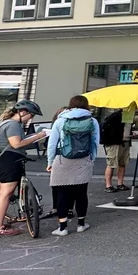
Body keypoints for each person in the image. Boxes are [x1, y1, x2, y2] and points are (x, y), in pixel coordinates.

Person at [0, 100, 48, 236]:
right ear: (22, 112)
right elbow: (16, 144)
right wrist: (38, 136)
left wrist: (31, 138)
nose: (31, 118)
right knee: (5, 194)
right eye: (31, 115)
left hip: (1, 159)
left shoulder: (3, 123)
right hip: (11, 160)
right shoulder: (13, 124)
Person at [47, 96, 100, 236]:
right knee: (81, 193)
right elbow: (95, 142)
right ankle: (81, 224)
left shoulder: (61, 120)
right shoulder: (92, 121)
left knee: (62, 194)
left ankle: (62, 228)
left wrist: (50, 162)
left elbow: (52, 144)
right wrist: (92, 159)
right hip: (83, 159)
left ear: (71, 104)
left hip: (63, 160)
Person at [101, 109, 130, 193]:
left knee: (122, 163)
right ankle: (108, 185)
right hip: (114, 143)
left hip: (125, 142)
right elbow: (109, 128)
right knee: (111, 164)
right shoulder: (115, 116)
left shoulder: (128, 117)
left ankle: (120, 183)